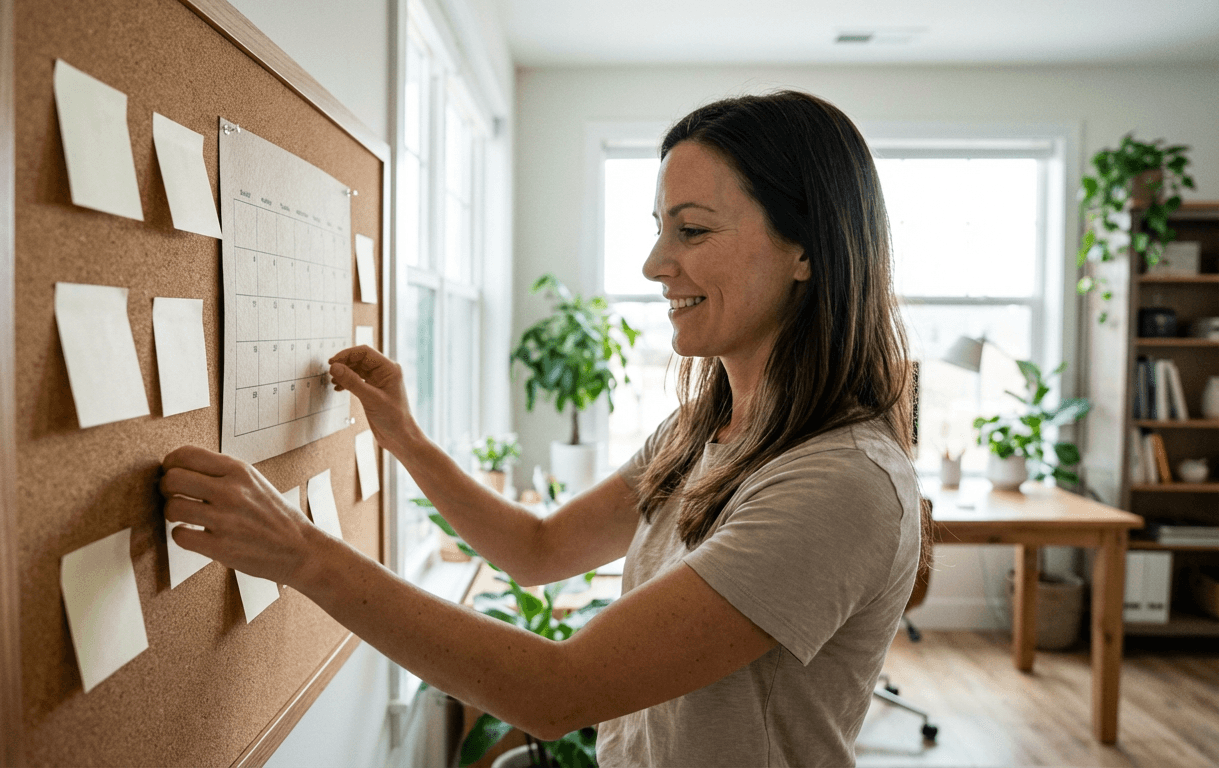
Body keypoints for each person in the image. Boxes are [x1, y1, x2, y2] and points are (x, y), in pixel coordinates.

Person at [160, 90, 922, 767]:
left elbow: (554, 693)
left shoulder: (841, 481)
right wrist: (406, 440)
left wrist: (298, 552)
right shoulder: (701, 429)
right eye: (660, 228)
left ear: (807, 251)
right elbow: (537, 550)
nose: (656, 263)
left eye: (691, 230)